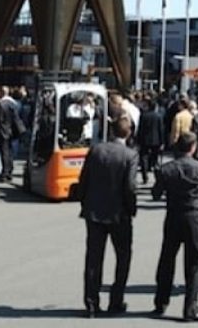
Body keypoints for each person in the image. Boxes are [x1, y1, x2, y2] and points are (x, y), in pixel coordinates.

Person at [77, 117, 139, 318]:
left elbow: (83, 179)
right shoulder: (130, 155)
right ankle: (116, 299)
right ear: (128, 132)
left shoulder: (96, 150)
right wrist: (132, 208)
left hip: (94, 211)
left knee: (94, 258)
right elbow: (130, 187)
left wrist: (84, 203)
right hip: (119, 213)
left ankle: (92, 303)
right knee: (123, 257)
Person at [151, 132, 198, 321]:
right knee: (194, 262)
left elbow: (155, 194)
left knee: (167, 258)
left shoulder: (167, 169)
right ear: (193, 148)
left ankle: (161, 301)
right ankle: (190, 306)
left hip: (173, 215)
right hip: (193, 215)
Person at [0, 87, 24, 182]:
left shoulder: (1, 105)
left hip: (3, 131)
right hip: (11, 131)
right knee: (9, 152)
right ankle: (9, 171)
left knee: (4, 153)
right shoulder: (12, 104)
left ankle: (5, 173)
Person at [137, 98, 165, 185]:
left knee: (143, 157)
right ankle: (156, 176)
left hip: (145, 140)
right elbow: (161, 129)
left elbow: (140, 129)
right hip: (156, 140)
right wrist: (162, 141)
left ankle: (145, 176)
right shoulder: (159, 116)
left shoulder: (143, 115)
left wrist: (138, 140)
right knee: (155, 159)